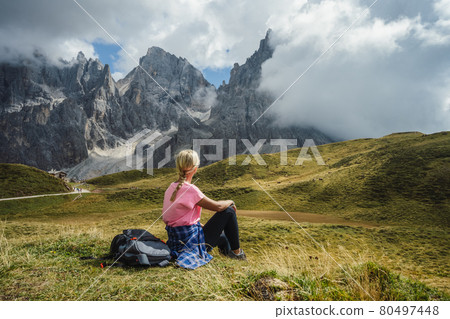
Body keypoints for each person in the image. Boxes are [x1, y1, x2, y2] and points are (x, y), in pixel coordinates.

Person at [162, 149, 246, 270]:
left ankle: (229, 260)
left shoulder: (171, 187)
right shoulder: (190, 189)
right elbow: (218, 207)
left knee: (223, 237)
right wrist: (231, 202)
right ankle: (237, 254)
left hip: (176, 243)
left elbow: (170, 218)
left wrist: (195, 225)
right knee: (229, 211)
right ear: (195, 169)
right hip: (191, 244)